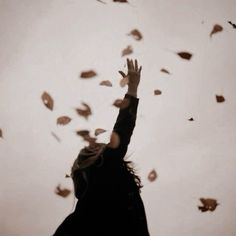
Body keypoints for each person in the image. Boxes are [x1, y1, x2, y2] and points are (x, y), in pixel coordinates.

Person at [53, 59, 150, 236]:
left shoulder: (84, 207)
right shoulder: (104, 166)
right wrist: (132, 89)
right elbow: (122, 130)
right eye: (100, 147)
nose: (104, 146)